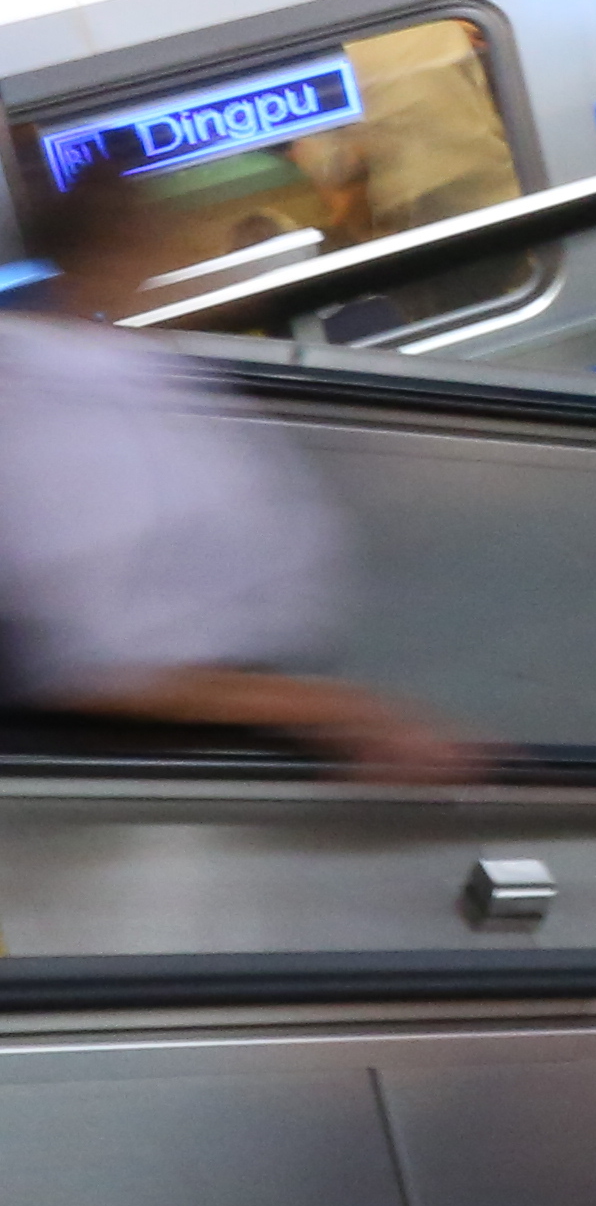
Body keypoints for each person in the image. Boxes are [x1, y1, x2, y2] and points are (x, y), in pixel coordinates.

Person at [0, 195, 482, 782]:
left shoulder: (128, 374)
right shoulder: (56, 402)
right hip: (173, 772)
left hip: (237, 731)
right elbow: (104, 672)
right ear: (123, 250)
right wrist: (348, 716)